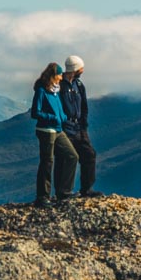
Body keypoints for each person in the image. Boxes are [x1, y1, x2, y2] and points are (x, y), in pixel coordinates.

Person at [30, 61, 78, 207]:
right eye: (59, 74)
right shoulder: (41, 91)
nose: (61, 77)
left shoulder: (55, 91)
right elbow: (35, 112)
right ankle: (42, 197)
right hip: (46, 131)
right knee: (47, 162)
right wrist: (52, 117)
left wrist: (62, 117)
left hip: (58, 130)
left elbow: (59, 109)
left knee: (72, 156)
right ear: (53, 75)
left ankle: (64, 193)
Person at [59, 55, 103, 197]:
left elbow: (84, 106)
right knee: (67, 158)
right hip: (65, 128)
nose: (83, 71)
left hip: (78, 128)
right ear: (75, 68)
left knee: (89, 154)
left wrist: (83, 127)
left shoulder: (78, 85)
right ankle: (63, 191)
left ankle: (86, 189)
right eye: (81, 68)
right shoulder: (60, 86)